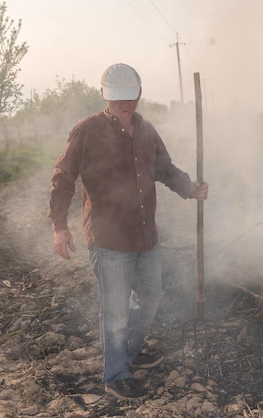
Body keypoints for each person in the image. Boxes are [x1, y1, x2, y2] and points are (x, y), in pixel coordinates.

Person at [48, 63, 208, 400]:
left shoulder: (147, 130)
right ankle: (115, 374)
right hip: (108, 237)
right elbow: (63, 175)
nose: (125, 104)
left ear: (138, 93)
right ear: (106, 96)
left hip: (145, 234)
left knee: (150, 297)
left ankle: (128, 353)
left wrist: (190, 188)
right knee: (115, 310)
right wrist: (59, 226)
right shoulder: (87, 130)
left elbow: (163, 168)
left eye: (130, 97)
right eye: (117, 98)